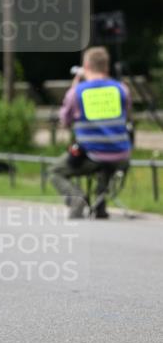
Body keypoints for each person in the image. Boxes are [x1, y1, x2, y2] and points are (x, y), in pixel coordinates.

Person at [49, 46, 131, 218]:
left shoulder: (78, 92)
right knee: (106, 163)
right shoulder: (121, 89)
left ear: (86, 65)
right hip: (122, 156)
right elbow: (127, 115)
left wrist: (74, 85)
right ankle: (100, 206)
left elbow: (65, 120)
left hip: (92, 155)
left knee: (55, 171)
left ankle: (77, 198)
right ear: (106, 67)